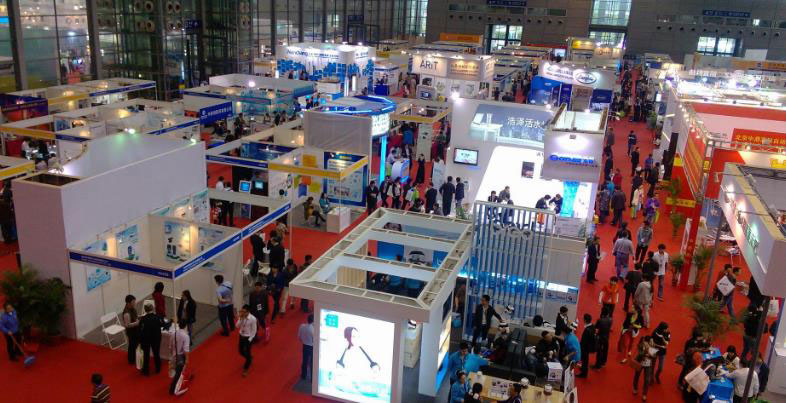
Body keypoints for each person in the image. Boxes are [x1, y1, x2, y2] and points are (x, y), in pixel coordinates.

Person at [139, 303, 163, 375]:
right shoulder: (157, 317)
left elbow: (140, 329)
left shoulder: (143, 319)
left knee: (146, 354)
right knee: (156, 353)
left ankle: (146, 370)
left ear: (145, 310)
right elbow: (162, 325)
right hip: (156, 338)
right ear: (153, 308)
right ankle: (158, 368)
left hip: (146, 339)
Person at [169, 321, 191, 395]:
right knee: (178, 373)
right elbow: (186, 349)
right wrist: (187, 359)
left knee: (176, 371)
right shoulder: (186, 336)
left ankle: (177, 385)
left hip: (174, 355)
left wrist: (172, 355)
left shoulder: (174, 334)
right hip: (181, 356)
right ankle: (172, 389)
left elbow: (170, 347)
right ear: (185, 326)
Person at [632, 335, 656, 400]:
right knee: (637, 376)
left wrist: (651, 352)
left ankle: (644, 394)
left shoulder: (652, 346)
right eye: (650, 341)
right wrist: (646, 351)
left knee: (647, 380)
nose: (651, 342)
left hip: (648, 365)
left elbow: (654, 356)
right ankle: (635, 388)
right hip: (640, 363)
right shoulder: (641, 345)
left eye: (651, 341)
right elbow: (640, 354)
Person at [236, 305, 257, 377]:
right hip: (241, 336)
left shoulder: (253, 319)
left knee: (248, 353)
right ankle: (249, 358)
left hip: (248, 338)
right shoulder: (241, 317)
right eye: (242, 311)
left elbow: (254, 331)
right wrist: (240, 319)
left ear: (248, 312)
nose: (242, 313)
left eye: (244, 312)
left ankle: (246, 368)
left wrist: (250, 340)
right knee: (240, 351)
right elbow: (237, 326)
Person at [120, 295, 141, 365]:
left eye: (135, 301)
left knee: (135, 344)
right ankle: (131, 359)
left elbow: (135, 317)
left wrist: (138, 318)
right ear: (128, 303)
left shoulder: (132, 308)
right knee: (132, 345)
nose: (135, 303)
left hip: (135, 329)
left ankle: (134, 357)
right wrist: (137, 323)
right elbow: (127, 325)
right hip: (131, 331)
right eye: (133, 302)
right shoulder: (126, 313)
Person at [298, 314, 314, 380]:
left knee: (305, 361)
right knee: (312, 362)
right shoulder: (313, 330)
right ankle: (312, 378)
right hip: (312, 347)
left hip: (305, 346)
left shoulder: (302, 326)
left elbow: (299, 337)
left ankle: (303, 375)